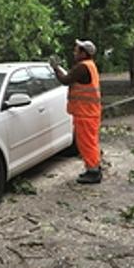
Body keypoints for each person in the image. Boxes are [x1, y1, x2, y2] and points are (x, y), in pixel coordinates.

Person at [49, 39, 102, 184]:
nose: (74, 53)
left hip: (85, 113)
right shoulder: (89, 66)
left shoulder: (82, 68)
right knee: (91, 141)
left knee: (86, 143)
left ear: (84, 53)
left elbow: (66, 80)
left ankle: (93, 172)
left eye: (77, 50)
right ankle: (94, 166)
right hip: (90, 111)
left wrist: (56, 68)